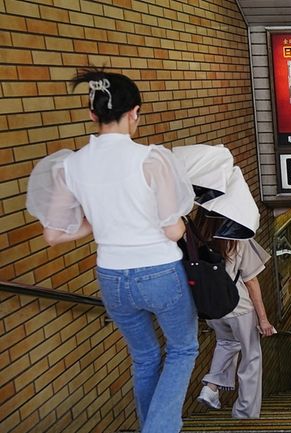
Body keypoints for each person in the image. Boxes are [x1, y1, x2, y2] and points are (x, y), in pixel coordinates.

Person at [26, 68, 197, 433]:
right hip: (159, 271)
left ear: (92, 115)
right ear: (135, 111)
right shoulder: (151, 159)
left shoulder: (69, 165)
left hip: (111, 277)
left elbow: (52, 234)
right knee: (182, 350)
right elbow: (173, 229)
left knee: (145, 357)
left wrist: (95, 225)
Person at [194, 211, 276, 419]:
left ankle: (211, 387)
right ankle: (245, 412)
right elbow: (251, 282)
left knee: (227, 344)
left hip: (212, 309)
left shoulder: (193, 237)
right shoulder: (236, 239)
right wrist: (263, 319)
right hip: (239, 308)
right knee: (251, 358)